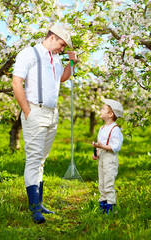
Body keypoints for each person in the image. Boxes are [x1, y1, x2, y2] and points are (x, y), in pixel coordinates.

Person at [12, 24, 77, 224]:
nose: (62, 49)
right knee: (33, 159)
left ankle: (39, 204)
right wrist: (27, 112)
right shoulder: (29, 53)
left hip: (52, 114)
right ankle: (34, 210)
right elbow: (16, 82)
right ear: (52, 37)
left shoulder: (56, 58)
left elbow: (62, 78)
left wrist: (72, 63)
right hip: (35, 112)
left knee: (41, 160)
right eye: (61, 44)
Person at [91, 99, 123, 214]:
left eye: (103, 109)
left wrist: (102, 146)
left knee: (109, 183)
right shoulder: (102, 128)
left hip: (110, 158)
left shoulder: (115, 129)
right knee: (102, 183)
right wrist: (97, 150)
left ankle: (111, 208)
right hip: (102, 158)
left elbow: (116, 147)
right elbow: (101, 144)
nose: (100, 110)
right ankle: (102, 206)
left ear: (110, 114)